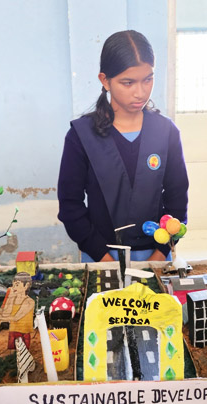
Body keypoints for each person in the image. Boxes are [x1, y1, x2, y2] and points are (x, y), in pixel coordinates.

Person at [57, 30, 188, 263]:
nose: (140, 92)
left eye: (148, 79)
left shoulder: (166, 132)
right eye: (128, 83)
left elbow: (177, 199)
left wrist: (160, 254)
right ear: (105, 80)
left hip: (156, 255)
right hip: (100, 256)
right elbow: (70, 206)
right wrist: (103, 259)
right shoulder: (81, 136)